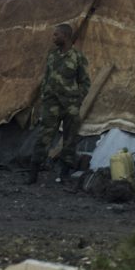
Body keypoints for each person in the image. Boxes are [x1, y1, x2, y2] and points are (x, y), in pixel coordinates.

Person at [28, 23, 91, 185]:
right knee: (44, 137)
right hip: (51, 104)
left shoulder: (77, 57)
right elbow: (47, 77)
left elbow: (85, 82)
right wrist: (44, 96)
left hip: (70, 105)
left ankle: (64, 174)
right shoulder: (51, 55)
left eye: (56, 35)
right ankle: (33, 173)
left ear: (65, 36)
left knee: (70, 139)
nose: (53, 38)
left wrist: (78, 100)